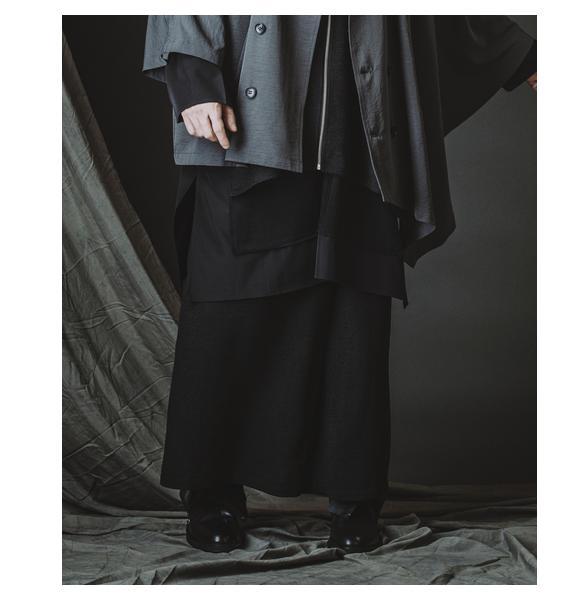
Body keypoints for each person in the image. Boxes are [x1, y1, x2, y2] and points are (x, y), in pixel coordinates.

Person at [143, 15, 536, 554]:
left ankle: (355, 498)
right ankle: (211, 493)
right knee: (229, 306)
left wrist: (520, 54)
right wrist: (193, 77)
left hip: (359, 109)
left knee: (355, 309)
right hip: (256, 97)